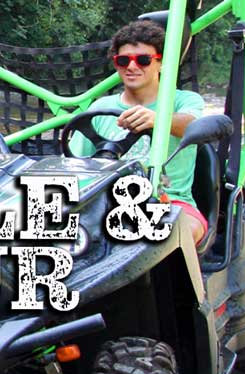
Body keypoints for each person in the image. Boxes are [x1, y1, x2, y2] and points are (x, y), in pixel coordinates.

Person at [72, 20, 207, 241]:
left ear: (161, 63)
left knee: (173, 234)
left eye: (143, 60)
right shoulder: (98, 110)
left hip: (170, 201)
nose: (132, 67)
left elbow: (194, 125)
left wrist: (159, 120)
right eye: (123, 60)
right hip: (105, 204)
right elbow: (75, 166)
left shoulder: (183, 101)